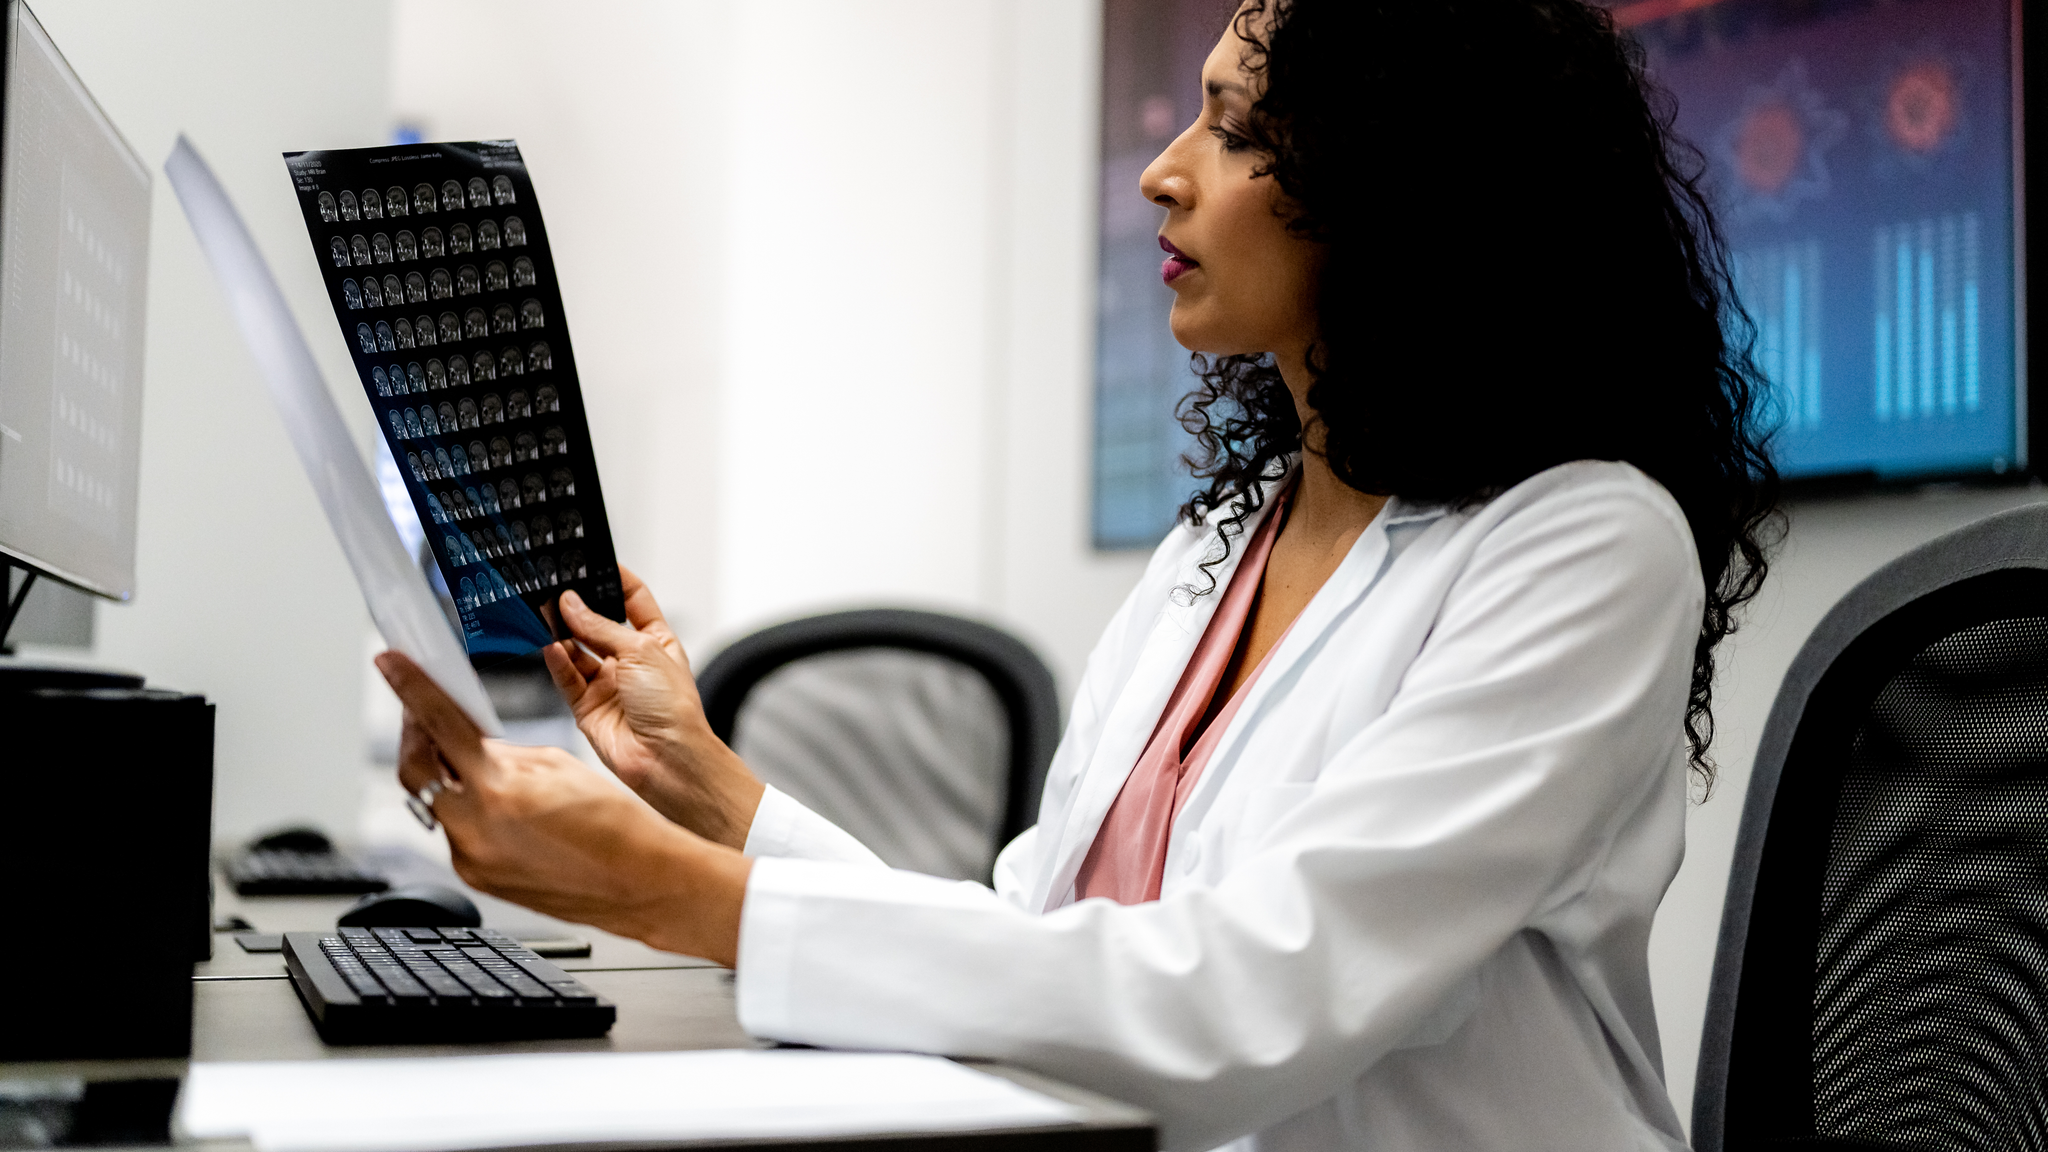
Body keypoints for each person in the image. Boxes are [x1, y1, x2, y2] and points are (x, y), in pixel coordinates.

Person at [374, 2, 1777, 1149]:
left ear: (1405, 191)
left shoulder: (1585, 548)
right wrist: (715, 800)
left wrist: (679, 895)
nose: (1166, 169)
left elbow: (1243, 1001)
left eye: (1236, 129)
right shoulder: (1218, 552)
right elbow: (1050, 954)